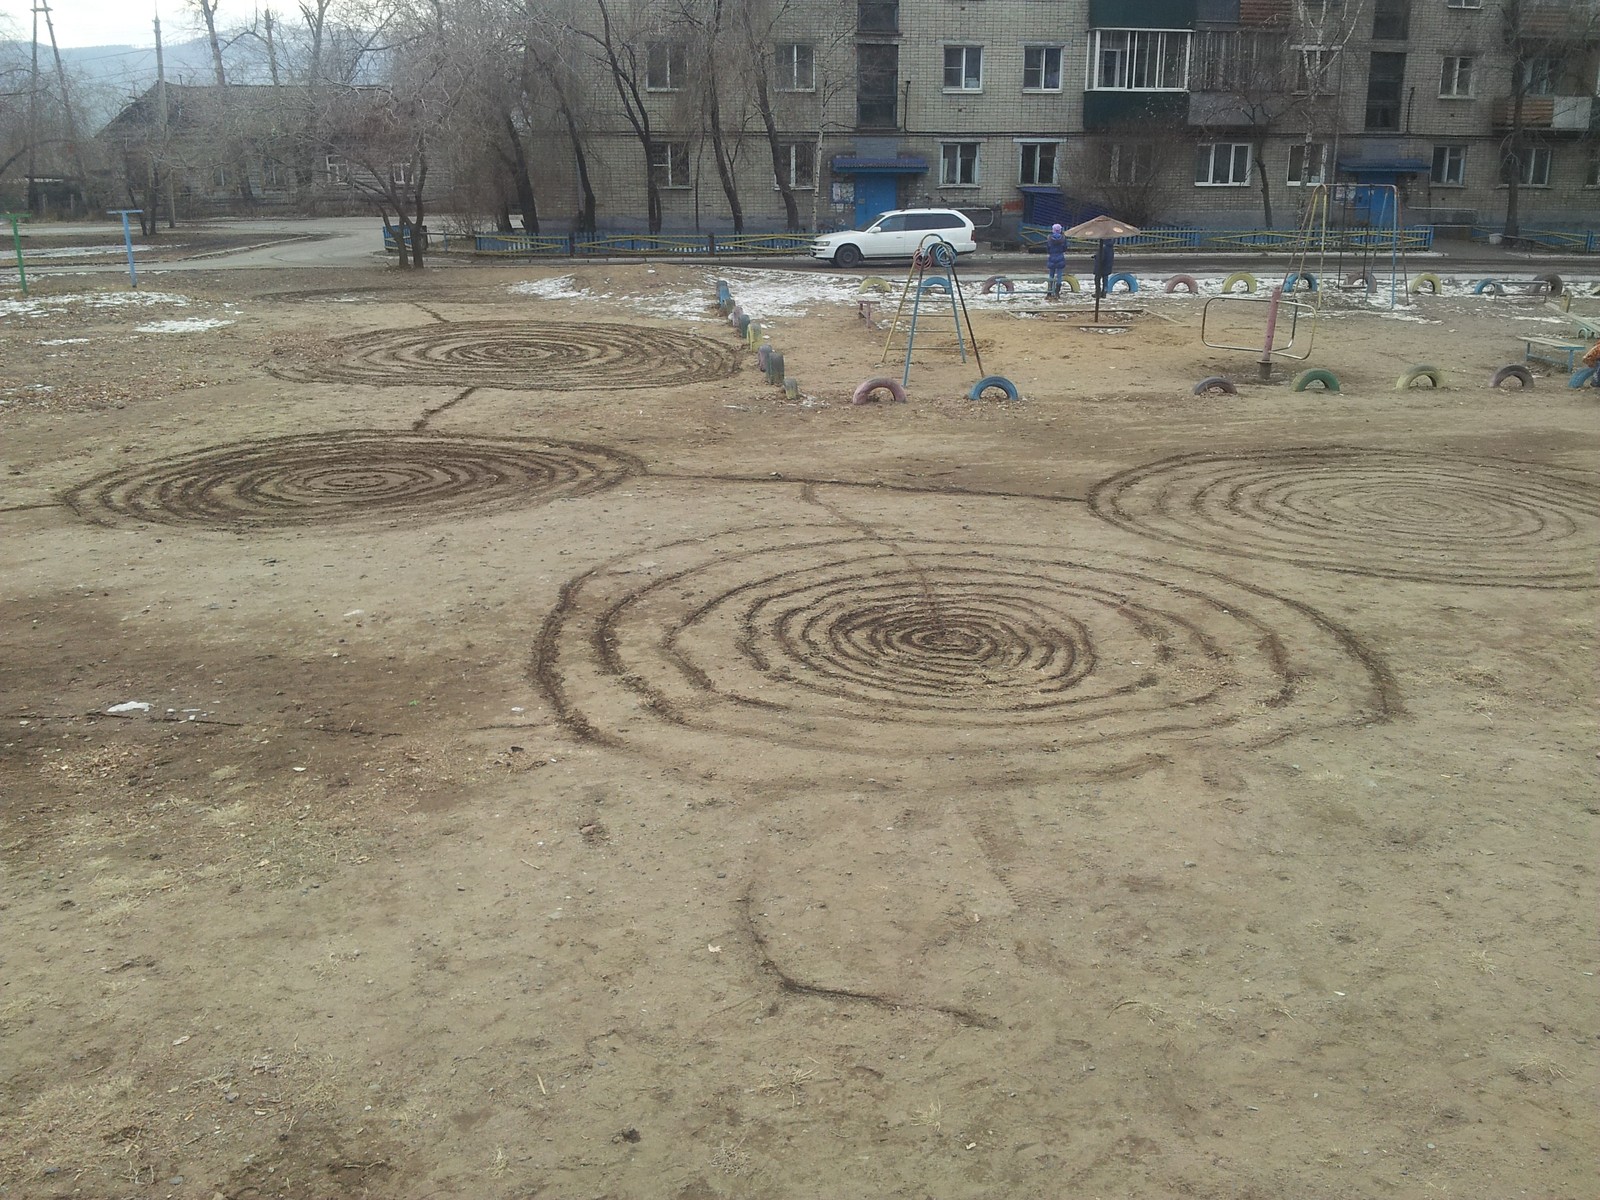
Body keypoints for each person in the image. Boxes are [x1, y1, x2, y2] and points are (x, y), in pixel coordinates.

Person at [1045, 223, 1068, 300]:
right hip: (1060, 257)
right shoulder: (1063, 238)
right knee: (1059, 276)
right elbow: (1065, 248)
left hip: (1052, 257)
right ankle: (1057, 292)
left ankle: (1049, 292)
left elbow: (1047, 248)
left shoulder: (1049, 238)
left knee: (1051, 275)